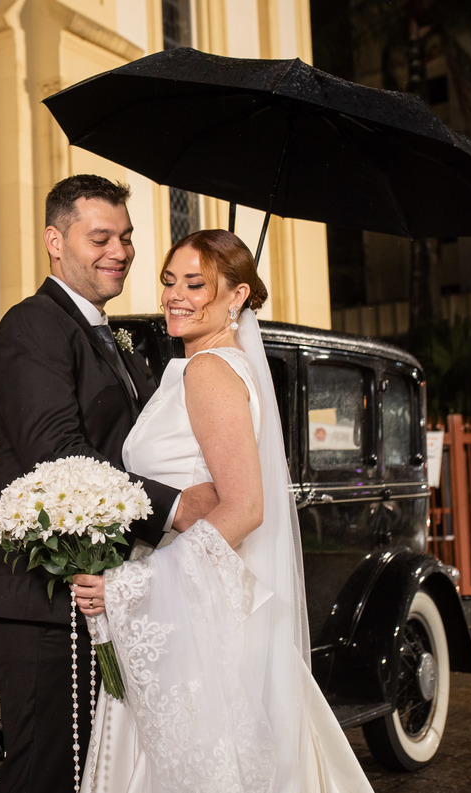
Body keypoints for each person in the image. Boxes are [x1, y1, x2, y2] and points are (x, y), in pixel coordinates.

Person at [73, 229, 374, 792]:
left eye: (196, 284)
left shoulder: (209, 371)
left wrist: (132, 583)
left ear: (237, 296)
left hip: (193, 609)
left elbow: (245, 508)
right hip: (192, 598)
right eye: (169, 281)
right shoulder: (215, 365)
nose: (175, 296)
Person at [0, 175, 215, 793]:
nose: (121, 251)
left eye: (126, 238)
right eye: (100, 238)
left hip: (105, 592)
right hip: (44, 598)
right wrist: (178, 507)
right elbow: (58, 457)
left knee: (92, 772)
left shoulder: (114, 338)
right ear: (55, 242)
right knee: (44, 774)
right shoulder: (33, 326)